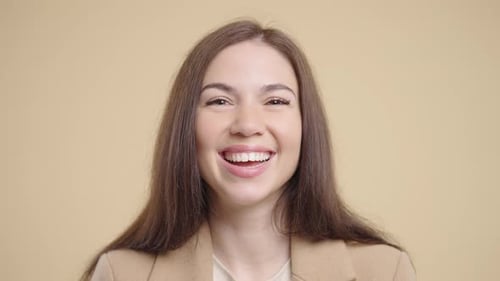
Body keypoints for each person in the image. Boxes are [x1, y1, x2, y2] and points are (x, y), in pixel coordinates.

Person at [81, 20, 416, 281]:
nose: (247, 124)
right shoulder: (120, 273)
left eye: (275, 101)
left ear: (305, 125)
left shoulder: (386, 271)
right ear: (186, 126)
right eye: (220, 101)